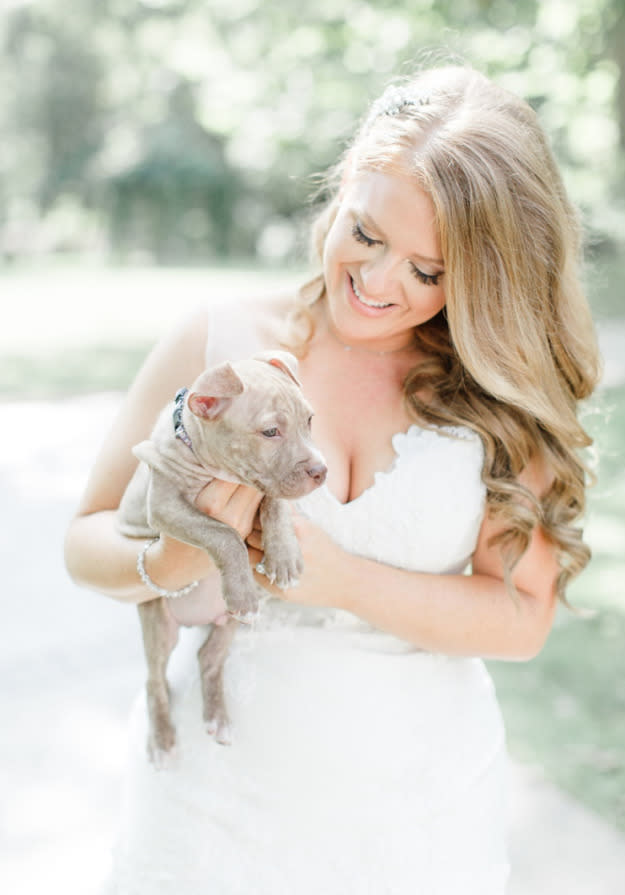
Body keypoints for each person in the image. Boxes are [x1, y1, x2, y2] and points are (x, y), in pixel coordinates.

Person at [65, 65, 600, 894]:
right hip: (208, 814)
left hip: (419, 822)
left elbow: (520, 617)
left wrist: (338, 576)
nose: (381, 281)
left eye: (429, 271)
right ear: (348, 179)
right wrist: (170, 560)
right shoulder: (219, 344)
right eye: (368, 233)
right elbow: (84, 539)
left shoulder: (495, 392)